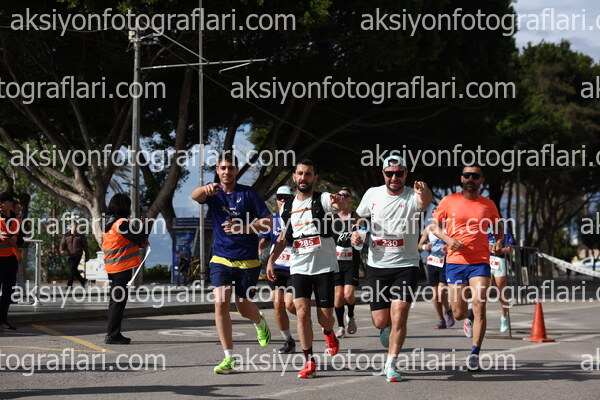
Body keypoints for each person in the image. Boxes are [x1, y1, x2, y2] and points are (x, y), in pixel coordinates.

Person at [351, 155, 432, 382]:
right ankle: (385, 328)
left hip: (406, 265)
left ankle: (391, 363)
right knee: (380, 321)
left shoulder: (413, 194)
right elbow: (360, 217)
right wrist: (359, 232)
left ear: (406, 174)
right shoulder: (372, 193)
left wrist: (424, 190)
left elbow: (424, 202)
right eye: (390, 173)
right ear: (383, 174)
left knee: (400, 314)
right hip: (377, 265)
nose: (394, 177)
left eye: (399, 173)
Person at [191, 152, 273, 374]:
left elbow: (268, 222)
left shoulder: (248, 193)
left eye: (230, 168)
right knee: (220, 303)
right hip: (221, 257)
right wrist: (204, 188)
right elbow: (194, 195)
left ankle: (259, 322)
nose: (227, 171)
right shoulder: (213, 193)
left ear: (236, 171)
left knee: (243, 307)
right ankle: (229, 358)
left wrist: (243, 228)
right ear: (217, 170)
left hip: (247, 260)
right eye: (223, 168)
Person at [267, 159, 343, 379]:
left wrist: (339, 204)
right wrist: (271, 260)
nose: (303, 177)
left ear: (314, 178)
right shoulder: (287, 207)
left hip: (324, 265)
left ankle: (328, 332)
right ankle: (309, 361)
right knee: (301, 313)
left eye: (308, 174)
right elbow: (283, 237)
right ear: (294, 176)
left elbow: (338, 206)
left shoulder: (322, 199)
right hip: (299, 264)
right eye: (300, 173)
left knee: (325, 318)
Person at [431, 165, 503, 371]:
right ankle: (467, 317)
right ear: (462, 178)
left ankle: (474, 354)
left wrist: (498, 241)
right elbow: (434, 226)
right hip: (455, 262)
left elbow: (498, 226)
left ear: (481, 180)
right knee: (458, 313)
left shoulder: (488, 204)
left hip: (480, 262)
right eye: (467, 175)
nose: (471, 178)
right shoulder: (448, 201)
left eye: (475, 176)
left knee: (480, 304)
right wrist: (448, 239)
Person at [102, 193, 150, 344]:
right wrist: (145, 224)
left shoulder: (110, 224)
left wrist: (140, 241)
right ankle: (113, 335)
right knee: (118, 302)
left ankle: (113, 333)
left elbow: (129, 241)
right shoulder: (122, 223)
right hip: (121, 268)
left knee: (115, 301)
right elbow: (141, 237)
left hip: (112, 268)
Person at [258, 185, 297, 354]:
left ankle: (304, 317)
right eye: (280, 197)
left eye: (286, 198)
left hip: (295, 267)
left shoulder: (298, 218)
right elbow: (266, 239)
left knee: (290, 305)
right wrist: (259, 246)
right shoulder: (272, 220)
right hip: (276, 267)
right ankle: (288, 341)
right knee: (277, 305)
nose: (282, 200)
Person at [332, 187, 359, 338]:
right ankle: (341, 326)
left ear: (350, 199)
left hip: (351, 262)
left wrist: (358, 235)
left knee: (348, 294)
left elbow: (362, 233)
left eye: (346, 195)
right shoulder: (331, 217)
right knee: (338, 296)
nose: (342, 197)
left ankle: (351, 315)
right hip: (335, 262)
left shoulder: (355, 217)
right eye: (340, 195)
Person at [418, 225, 454, 329]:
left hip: (446, 261)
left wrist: (448, 248)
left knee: (441, 291)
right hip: (432, 262)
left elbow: (457, 243)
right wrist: (425, 247)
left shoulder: (450, 226)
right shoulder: (429, 228)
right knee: (435, 294)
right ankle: (441, 319)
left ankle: (448, 311)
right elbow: (419, 245)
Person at [0, 192, 22, 330]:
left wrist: (16, 239)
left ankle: (3, 320)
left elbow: (22, 240)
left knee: (8, 291)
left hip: (11, 259)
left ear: (10, 204)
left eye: (3, 201)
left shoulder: (17, 220)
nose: (0, 204)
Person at [488, 229, 514, 332]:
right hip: (486, 261)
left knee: (501, 293)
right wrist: (487, 248)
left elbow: (510, 250)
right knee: (483, 291)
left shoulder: (504, 230)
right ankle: (476, 318)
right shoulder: (483, 229)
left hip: (500, 261)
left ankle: (504, 316)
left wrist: (500, 250)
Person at [60, 222, 90, 288]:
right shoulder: (66, 235)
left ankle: (69, 285)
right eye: (74, 226)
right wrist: (62, 249)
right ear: (71, 227)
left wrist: (87, 256)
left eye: (77, 227)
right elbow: (62, 244)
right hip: (69, 255)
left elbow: (85, 247)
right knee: (73, 269)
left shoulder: (81, 235)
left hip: (77, 254)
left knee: (72, 268)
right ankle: (83, 280)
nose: (76, 228)